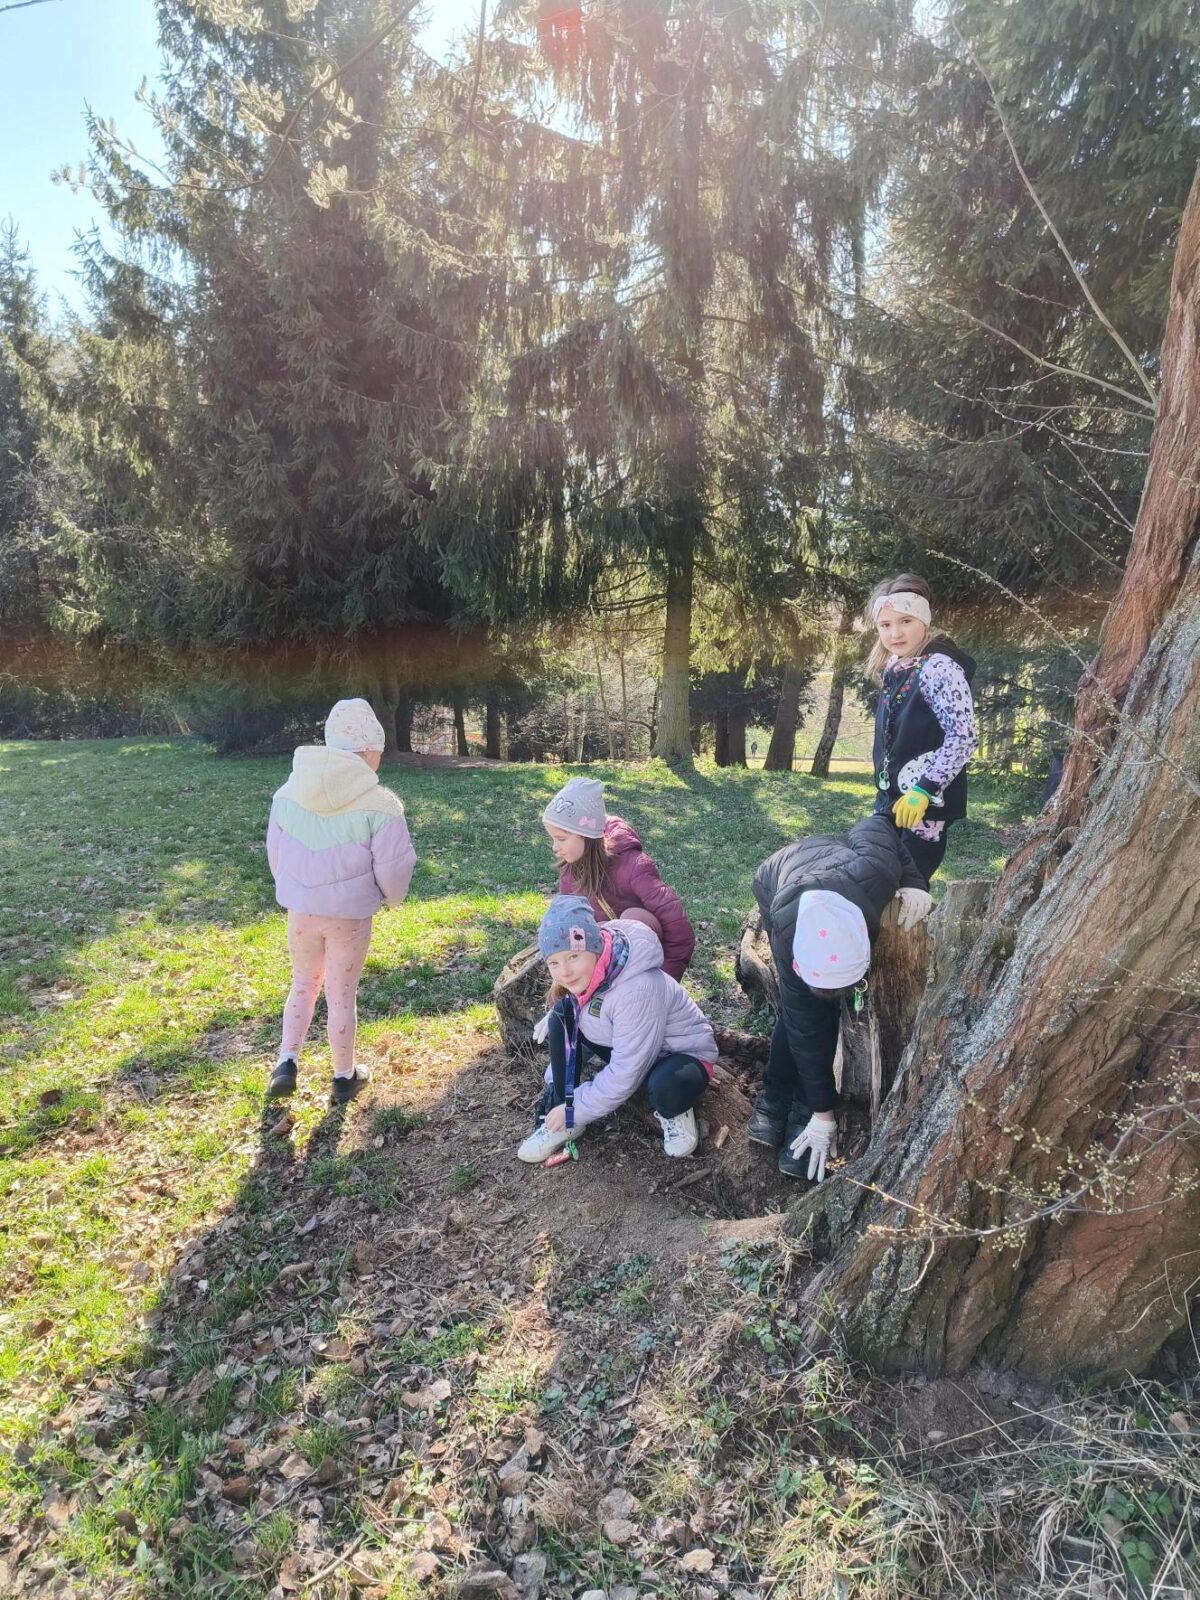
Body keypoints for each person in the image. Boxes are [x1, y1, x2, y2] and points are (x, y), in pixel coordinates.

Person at [748, 817, 931, 1179]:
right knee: (801, 1013)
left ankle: (803, 1107)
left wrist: (913, 880)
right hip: (775, 880)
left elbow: (877, 823)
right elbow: (803, 1026)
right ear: (799, 963)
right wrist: (824, 1113)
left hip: (841, 869)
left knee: (821, 1011)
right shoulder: (788, 933)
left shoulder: (875, 871)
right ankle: (777, 1099)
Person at [265, 699, 416, 1104]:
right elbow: (395, 866)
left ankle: (286, 1061)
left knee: (303, 982)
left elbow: (276, 853)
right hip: (349, 917)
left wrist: (295, 890)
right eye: (379, 753)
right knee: (341, 993)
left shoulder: (288, 793)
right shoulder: (382, 805)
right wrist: (391, 898)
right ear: (368, 752)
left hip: (301, 911)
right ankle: (343, 1075)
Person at [517, 895, 717, 1165]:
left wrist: (577, 1107)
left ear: (595, 947)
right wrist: (558, 1080)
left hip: (678, 1055)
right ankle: (565, 1120)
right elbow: (589, 1021)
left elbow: (626, 1072)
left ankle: (674, 1112)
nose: (564, 972)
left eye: (573, 956)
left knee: (663, 1088)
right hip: (631, 1044)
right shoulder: (596, 970)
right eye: (554, 963)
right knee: (562, 1015)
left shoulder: (636, 989)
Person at [867, 574, 978, 888]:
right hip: (890, 800)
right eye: (885, 625)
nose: (895, 633)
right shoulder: (896, 666)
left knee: (906, 888)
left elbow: (963, 736)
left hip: (925, 807)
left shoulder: (940, 668)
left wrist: (924, 790)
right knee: (875, 879)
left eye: (905, 621)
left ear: (924, 620)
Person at [542, 776, 695, 979]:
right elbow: (569, 926)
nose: (555, 847)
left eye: (561, 839)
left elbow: (678, 928)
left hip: (644, 957)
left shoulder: (634, 866)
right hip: (604, 958)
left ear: (586, 835)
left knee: (633, 917)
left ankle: (635, 982)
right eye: (552, 839)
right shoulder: (569, 873)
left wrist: (667, 979)